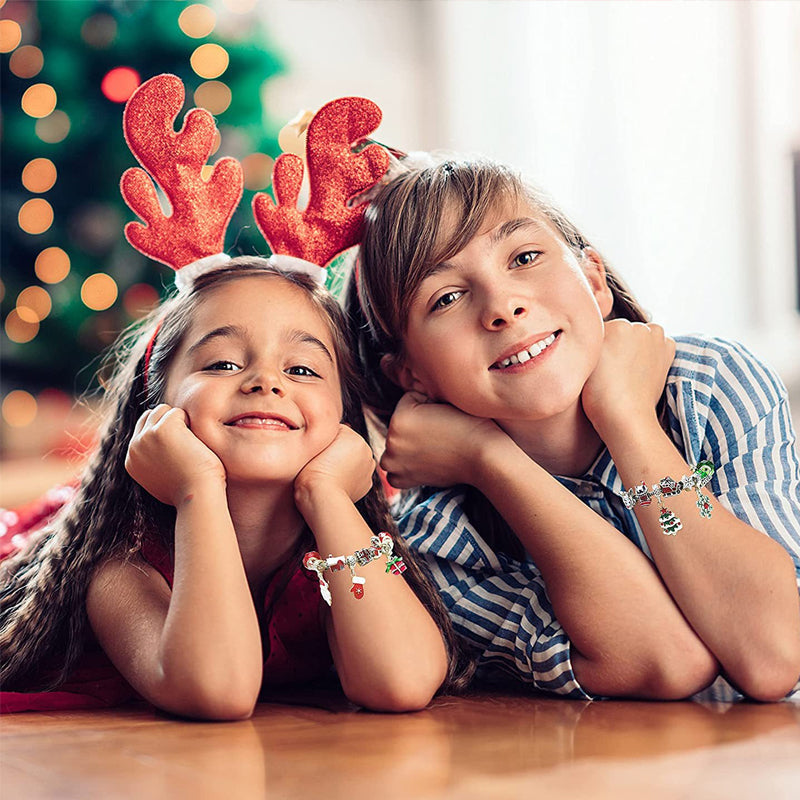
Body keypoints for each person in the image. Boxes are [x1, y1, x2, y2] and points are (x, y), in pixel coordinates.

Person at [347, 156, 800, 702]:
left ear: (593, 279)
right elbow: (668, 660)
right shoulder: (438, 539)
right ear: (411, 374)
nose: (504, 307)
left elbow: (775, 653)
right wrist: (492, 461)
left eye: (525, 257)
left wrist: (629, 422)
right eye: (446, 298)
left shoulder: (711, 387)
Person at [0, 258, 469, 718]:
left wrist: (326, 494)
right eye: (222, 363)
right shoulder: (118, 560)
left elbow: (402, 681)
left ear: (343, 415)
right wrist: (196, 489)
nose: (266, 382)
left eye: (303, 369)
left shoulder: (334, 543)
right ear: (155, 402)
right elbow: (218, 689)